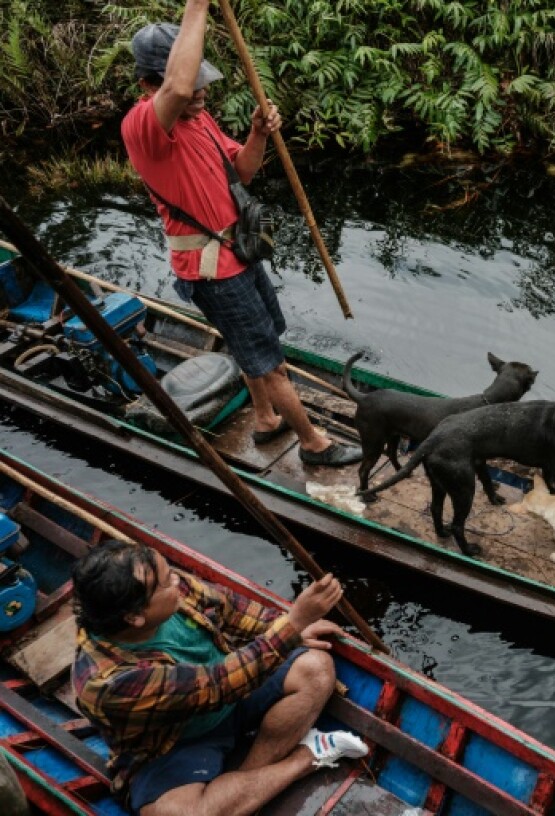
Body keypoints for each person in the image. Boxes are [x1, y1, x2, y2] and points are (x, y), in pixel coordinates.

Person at [122, 1, 360, 466]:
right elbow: (177, 82)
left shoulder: (200, 119)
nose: (200, 94)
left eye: (202, 86)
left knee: (262, 340)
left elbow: (242, 173)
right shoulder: (145, 127)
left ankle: (268, 419)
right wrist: (198, 4)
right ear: (148, 86)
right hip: (212, 271)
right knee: (268, 361)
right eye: (192, 88)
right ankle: (314, 445)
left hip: (239, 251)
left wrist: (258, 134)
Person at [71, 540, 369, 815]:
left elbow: (231, 609)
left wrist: (285, 627)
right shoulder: (109, 682)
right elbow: (215, 684)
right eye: (166, 582)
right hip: (175, 742)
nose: (177, 578)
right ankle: (305, 759)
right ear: (135, 616)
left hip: (236, 696)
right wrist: (292, 625)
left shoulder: (172, 590)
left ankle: (241, 785)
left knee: (316, 669)